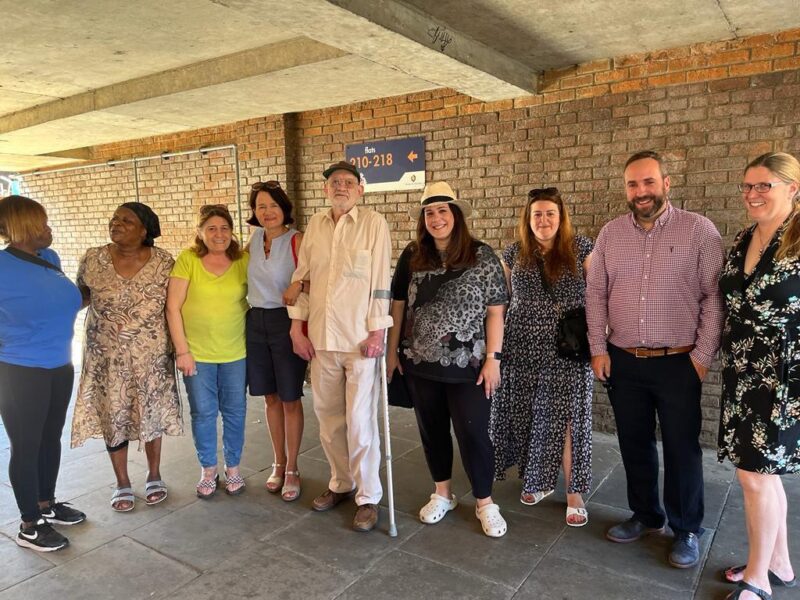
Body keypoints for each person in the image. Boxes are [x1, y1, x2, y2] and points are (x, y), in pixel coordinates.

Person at [586, 150, 724, 568]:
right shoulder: (610, 234)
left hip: (678, 362)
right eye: (633, 184)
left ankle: (686, 528)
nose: (640, 191)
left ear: (666, 183)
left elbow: (713, 298)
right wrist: (598, 348)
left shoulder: (699, 230)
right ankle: (646, 515)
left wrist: (701, 357)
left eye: (648, 182)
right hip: (624, 360)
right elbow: (595, 294)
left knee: (682, 448)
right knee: (634, 442)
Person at [386, 182, 509, 537]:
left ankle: (485, 502)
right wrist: (392, 352)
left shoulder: (481, 255)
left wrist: (493, 358)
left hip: (470, 365)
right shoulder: (413, 255)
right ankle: (442, 493)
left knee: (474, 433)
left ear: (455, 214)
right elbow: (398, 306)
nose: (436, 218)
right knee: (432, 430)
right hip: (419, 362)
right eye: (429, 212)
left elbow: (496, 311)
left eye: (442, 210)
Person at [287, 160, 392, 533]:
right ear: (326, 189)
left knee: (360, 424)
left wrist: (378, 332)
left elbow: (381, 282)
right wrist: (297, 328)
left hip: (360, 340)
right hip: (321, 339)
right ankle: (341, 483)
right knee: (329, 420)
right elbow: (302, 279)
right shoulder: (316, 225)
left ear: (360, 189)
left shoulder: (374, 224)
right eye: (335, 182)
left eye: (348, 182)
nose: (341, 187)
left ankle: (368, 497)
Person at [718, 152, 800, 600]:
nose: (752, 194)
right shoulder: (744, 237)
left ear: (793, 188)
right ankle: (779, 563)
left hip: (785, 377)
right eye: (748, 186)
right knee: (763, 475)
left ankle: (758, 578)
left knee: (755, 477)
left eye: (764, 185)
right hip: (744, 370)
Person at [490, 187, 594, 527]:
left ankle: (575, 493)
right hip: (521, 346)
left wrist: (601, 343)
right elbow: (498, 301)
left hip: (568, 348)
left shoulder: (581, 248)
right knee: (529, 414)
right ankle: (537, 479)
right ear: (528, 218)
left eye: (551, 213)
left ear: (561, 218)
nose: (544, 220)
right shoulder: (514, 253)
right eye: (538, 214)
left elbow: (600, 294)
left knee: (569, 418)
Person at [71, 203, 183, 512]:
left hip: (152, 358)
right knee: (114, 415)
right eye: (115, 218)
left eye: (126, 220)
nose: (116, 223)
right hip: (106, 358)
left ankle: (154, 474)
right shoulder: (93, 259)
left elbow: (175, 305)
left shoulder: (164, 262)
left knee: (151, 413)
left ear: (144, 230)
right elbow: (81, 296)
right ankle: (121, 481)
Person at [0, 195, 85, 552]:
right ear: (21, 227)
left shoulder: (49, 259)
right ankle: (29, 525)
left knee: (51, 438)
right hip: (20, 371)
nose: (49, 229)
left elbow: (64, 301)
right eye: (42, 223)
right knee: (27, 445)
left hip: (60, 365)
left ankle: (46, 504)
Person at [166, 204, 249, 498]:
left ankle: (233, 468)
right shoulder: (188, 259)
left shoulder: (243, 260)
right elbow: (173, 307)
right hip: (197, 355)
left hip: (235, 352)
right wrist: (182, 351)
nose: (219, 234)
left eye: (224, 228)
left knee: (235, 412)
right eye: (211, 228)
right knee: (203, 413)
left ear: (232, 231)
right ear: (200, 232)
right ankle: (208, 470)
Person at [245, 181, 308, 502]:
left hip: (287, 321)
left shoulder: (298, 240)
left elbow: (318, 276)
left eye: (273, 205)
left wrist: (300, 284)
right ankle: (278, 463)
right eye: (260, 206)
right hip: (255, 322)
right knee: (270, 398)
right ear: (254, 212)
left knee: (290, 397)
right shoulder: (253, 241)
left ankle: (293, 467)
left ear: (284, 208)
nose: (267, 212)